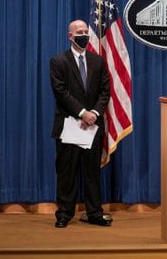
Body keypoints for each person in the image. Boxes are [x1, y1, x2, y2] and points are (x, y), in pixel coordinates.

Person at [50, 20, 111, 228]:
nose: (84, 35)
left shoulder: (98, 61)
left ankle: (94, 212)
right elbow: (60, 92)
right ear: (70, 36)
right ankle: (64, 214)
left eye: (86, 31)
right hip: (69, 125)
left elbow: (105, 91)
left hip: (93, 126)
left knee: (92, 173)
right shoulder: (58, 61)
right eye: (79, 32)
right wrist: (82, 112)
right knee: (67, 173)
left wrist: (94, 112)